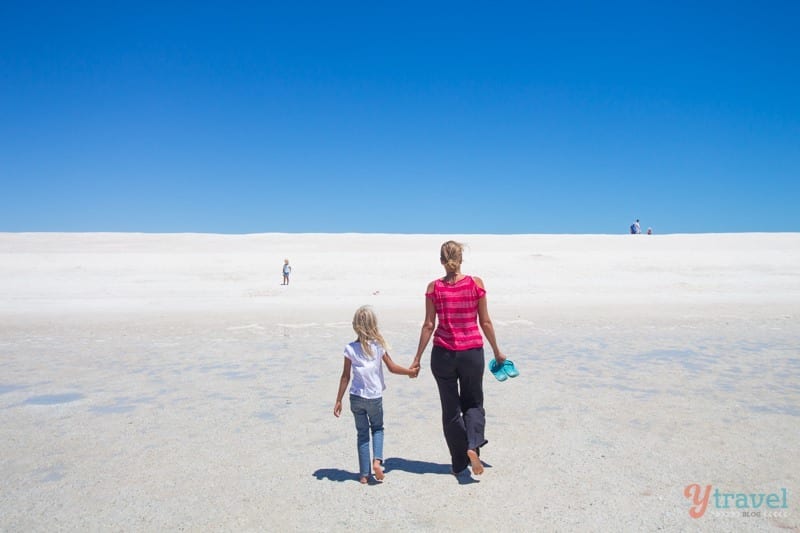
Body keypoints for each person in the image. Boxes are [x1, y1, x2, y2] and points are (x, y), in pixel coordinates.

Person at [411, 240, 507, 476]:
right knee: (473, 403)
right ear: (461, 259)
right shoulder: (476, 283)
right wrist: (496, 350)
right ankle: (473, 446)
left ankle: (458, 462)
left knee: (451, 409)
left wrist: (417, 358)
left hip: (443, 354)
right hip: (472, 353)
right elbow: (485, 321)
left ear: (442, 261)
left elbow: (428, 325)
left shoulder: (434, 288)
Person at [334, 305, 418, 484]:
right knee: (377, 428)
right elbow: (392, 368)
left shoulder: (350, 349)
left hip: (356, 397)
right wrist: (409, 372)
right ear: (374, 325)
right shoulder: (378, 347)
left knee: (362, 434)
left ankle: (364, 475)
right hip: (374, 397)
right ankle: (377, 462)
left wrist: (338, 400)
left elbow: (345, 376)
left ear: (355, 326)